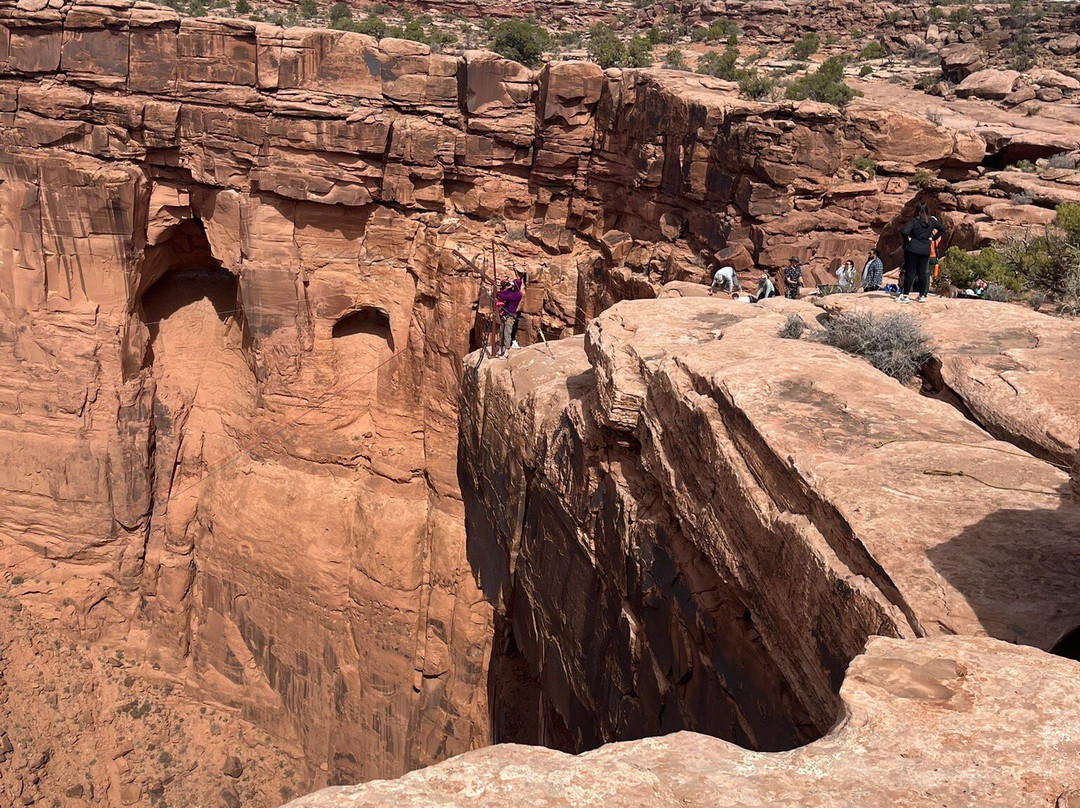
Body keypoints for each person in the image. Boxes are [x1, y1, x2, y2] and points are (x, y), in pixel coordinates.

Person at [899, 203, 944, 304]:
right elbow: (943, 229)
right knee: (922, 273)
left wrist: (908, 241)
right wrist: (932, 238)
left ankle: (905, 296)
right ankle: (922, 296)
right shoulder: (931, 221)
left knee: (910, 272)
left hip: (913, 249)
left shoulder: (914, 221)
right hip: (925, 250)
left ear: (917, 210)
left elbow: (905, 232)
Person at [494, 276, 523, 358]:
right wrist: (506, 289)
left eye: (513, 285)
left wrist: (496, 293)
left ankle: (506, 352)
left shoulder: (517, 295)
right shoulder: (511, 291)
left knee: (507, 333)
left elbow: (505, 297)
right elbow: (503, 293)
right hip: (505, 314)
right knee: (501, 331)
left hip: (510, 315)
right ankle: (501, 349)